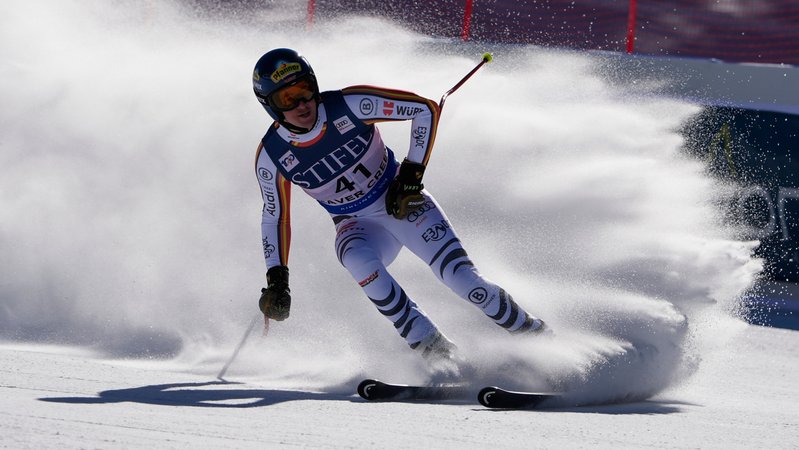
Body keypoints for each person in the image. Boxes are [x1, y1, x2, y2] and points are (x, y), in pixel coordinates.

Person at [252, 48, 547, 372]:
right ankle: (437, 352)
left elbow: (424, 109)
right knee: (355, 258)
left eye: (305, 90)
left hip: (401, 203)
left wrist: (410, 177)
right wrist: (277, 279)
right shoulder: (272, 156)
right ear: (270, 106)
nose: (302, 104)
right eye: (287, 98)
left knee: (462, 279)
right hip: (356, 224)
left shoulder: (349, 105)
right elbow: (275, 216)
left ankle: (539, 340)